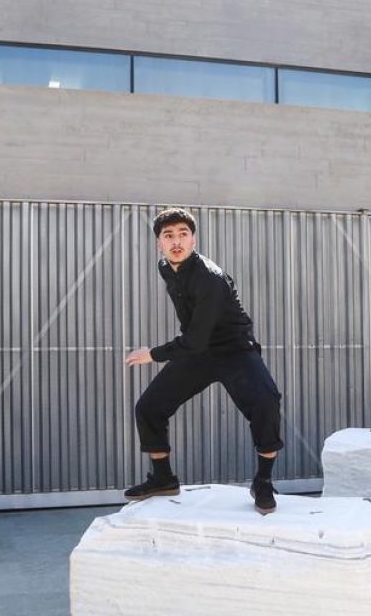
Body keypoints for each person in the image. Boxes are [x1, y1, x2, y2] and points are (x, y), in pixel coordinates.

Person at [123, 208, 284, 515]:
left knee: (266, 403)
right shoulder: (166, 268)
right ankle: (163, 478)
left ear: (193, 239)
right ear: (159, 243)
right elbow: (196, 339)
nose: (176, 242)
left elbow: (195, 338)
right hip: (198, 352)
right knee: (149, 408)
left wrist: (152, 354)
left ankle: (263, 482)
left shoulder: (210, 278)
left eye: (183, 234)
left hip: (234, 349)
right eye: (168, 236)